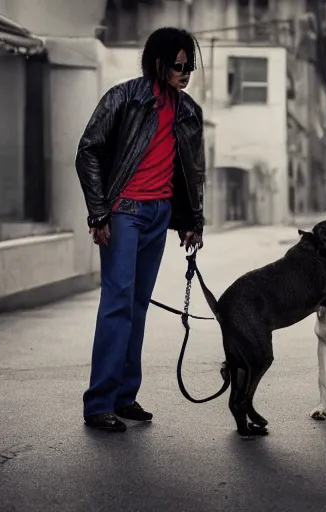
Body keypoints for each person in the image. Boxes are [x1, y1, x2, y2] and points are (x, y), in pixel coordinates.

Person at [75, 27, 206, 432]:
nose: (185, 73)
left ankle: (124, 396)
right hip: (124, 212)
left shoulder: (188, 112)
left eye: (191, 67)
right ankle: (99, 402)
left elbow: (192, 172)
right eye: (178, 66)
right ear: (159, 63)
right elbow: (88, 151)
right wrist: (99, 214)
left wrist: (192, 221)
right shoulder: (125, 98)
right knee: (117, 304)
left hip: (158, 214)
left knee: (137, 307)